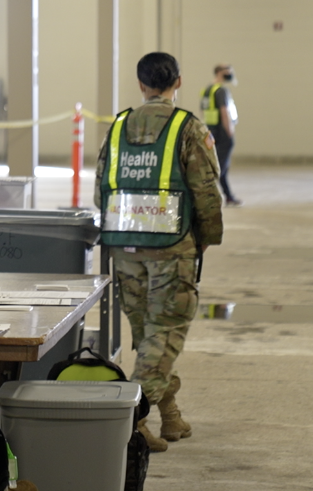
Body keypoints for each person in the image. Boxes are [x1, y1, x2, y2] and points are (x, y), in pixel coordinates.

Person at [94, 52, 223, 453]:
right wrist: (207, 237)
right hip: (172, 246)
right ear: (177, 82)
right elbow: (205, 192)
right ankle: (130, 422)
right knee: (163, 336)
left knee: (151, 334)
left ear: (140, 84)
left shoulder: (117, 127)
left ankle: (170, 416)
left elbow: (102, 186)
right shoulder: (188, 127)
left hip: (125, 246)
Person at [201, 64, 242, 206]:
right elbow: (225, 112)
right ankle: (204, 195)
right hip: (222, 132)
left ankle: (229, 196)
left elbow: (203, 111)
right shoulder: (221, 91)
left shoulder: (208, 90)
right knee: (220, 166)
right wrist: (229, 131)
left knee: (221, 165)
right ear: (219, 73)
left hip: (211, 131)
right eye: (227, 71)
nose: (230, 73)